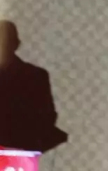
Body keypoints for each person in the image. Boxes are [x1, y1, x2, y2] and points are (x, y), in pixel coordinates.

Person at [0, 20, 68, 152]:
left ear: (16, 44)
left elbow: (46, 116)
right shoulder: (36, 75)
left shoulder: (36, 76)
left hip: (24, 144)